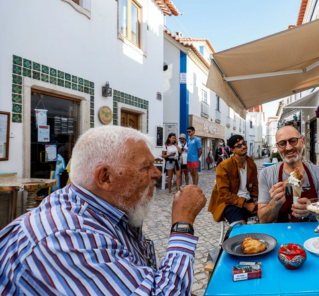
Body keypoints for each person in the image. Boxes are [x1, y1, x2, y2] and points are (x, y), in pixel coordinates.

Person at [0, 126, 207, 295]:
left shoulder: (112, 208)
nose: (156, 174)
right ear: (105, 178)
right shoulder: (65, 236)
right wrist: (182, 224)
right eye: (146, 167)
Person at [258, 125, 319, 223]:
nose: (288, 147)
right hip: (281, 235)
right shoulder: (266, 174)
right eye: (282, 143)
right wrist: (274, 203)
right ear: (277, 147)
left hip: (314, 234)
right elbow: (263, 220)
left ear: (302, 142)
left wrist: (312, 210)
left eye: (293, 141)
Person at [208, 135, 259, 224]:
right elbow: (224, 194)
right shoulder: (224, 166)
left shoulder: (251, 164)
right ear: (232, 150)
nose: (243, 146)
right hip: (231, 203)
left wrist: (256, 201)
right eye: (239, 145)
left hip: (249, 199)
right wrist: (245, 205)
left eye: (244, 143)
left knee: (267, 214)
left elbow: (254, 185)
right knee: (241, 228)